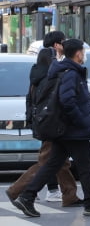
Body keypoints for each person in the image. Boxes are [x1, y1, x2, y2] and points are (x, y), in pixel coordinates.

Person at [12, 39, 90, 217]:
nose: (84, 55)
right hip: (73, 130)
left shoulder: (64, 70)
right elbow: (67, 100)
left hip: (64, 129)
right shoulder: (71, 73)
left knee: (52, 165)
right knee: (86, 167)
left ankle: (27, 197)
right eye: (83, 51)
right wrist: (81, 121)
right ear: (78, 53)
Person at [6, 45, 83, 207]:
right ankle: (16, 190)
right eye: (55, 57)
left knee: (61, 162)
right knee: (47, 162)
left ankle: (70, 195)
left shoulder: (36, 75)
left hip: (43, 123)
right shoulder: (50, 77)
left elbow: (30, 100)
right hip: (53, 123)